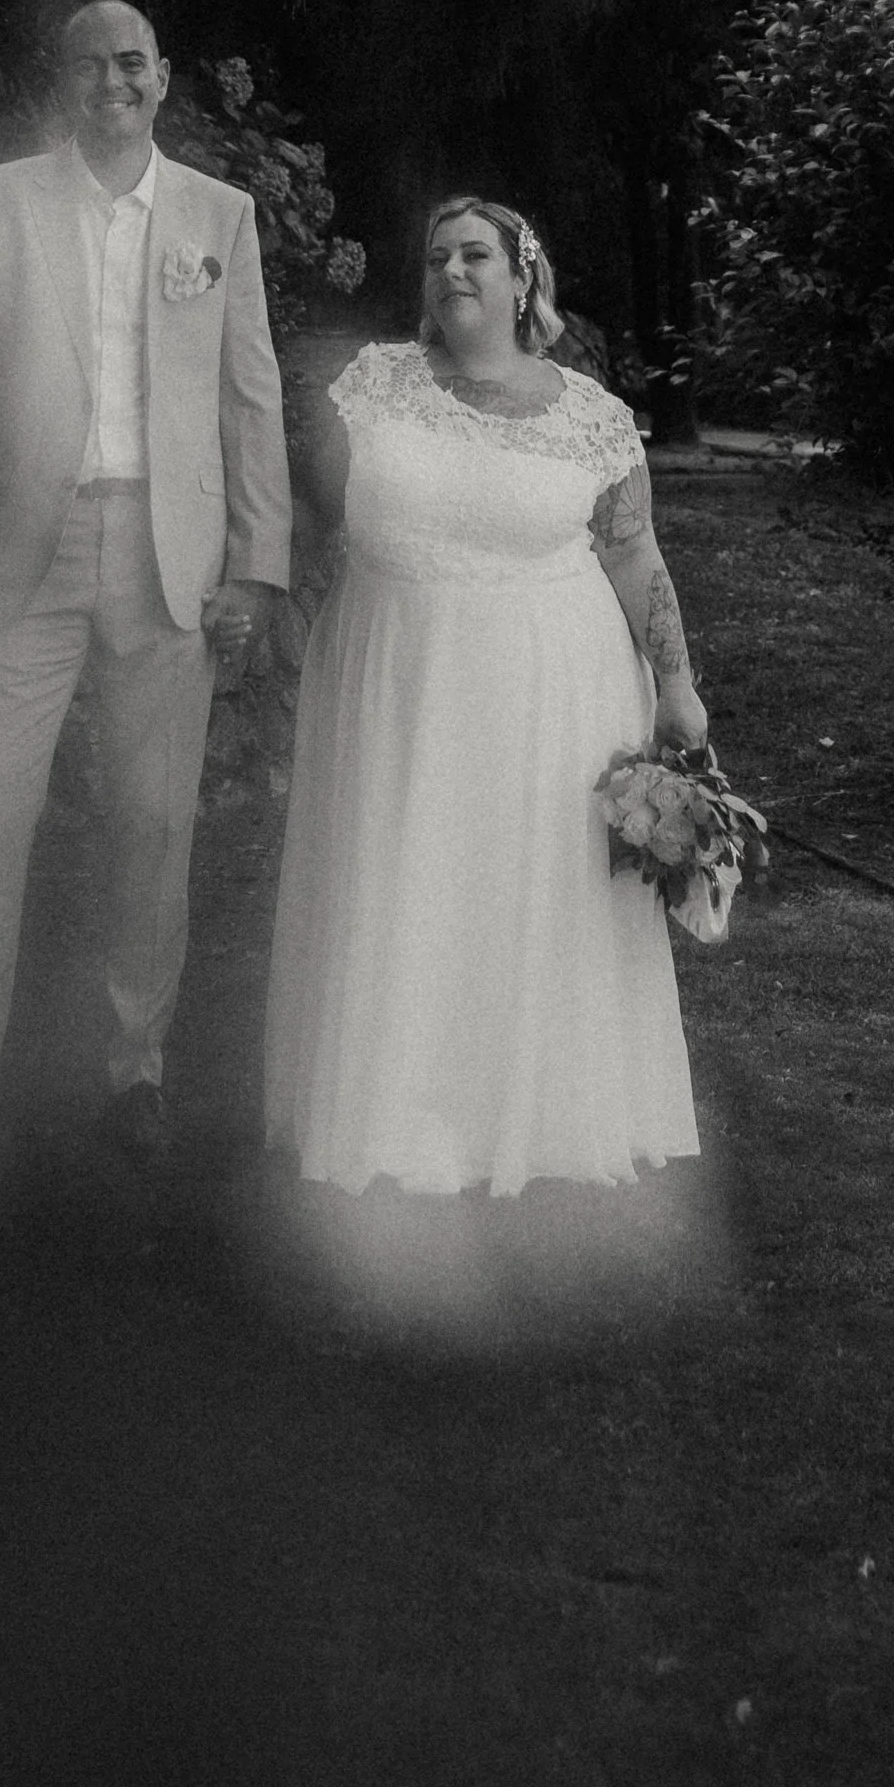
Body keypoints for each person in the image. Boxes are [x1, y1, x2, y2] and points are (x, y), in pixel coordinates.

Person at [0, 0, 291, 1163]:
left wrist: (258, 567)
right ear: (62, 82)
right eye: (90, 66)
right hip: (25, 553)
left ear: (163, 77)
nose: (113, 83)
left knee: (152, 819)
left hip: (169, 560)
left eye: (132, 64)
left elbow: (250, 395)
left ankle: (137, 1068)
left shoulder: (220, 216)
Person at [263, 196, 707, 1197]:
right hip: (397, 681)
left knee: (526, 894)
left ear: (522, 278)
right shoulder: (371, 389)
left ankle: (533, 1119)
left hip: (550, 693)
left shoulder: (590, 414)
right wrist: (260, 606)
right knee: (402, 880)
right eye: (435, 258)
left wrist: (677, 688)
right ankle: (395, 1116)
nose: (452, 271)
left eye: (475, 255)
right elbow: (304, 516)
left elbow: (634, 553)